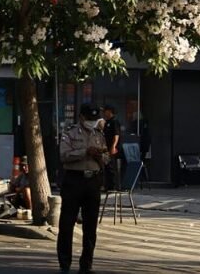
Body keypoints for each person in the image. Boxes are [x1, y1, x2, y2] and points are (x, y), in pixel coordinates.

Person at [57, 103, 110, 274]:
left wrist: (100, 156)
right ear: (81, 118)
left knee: (90, 225)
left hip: (92, 181)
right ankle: (64, 264)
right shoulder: (70, 133)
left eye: (94, 119)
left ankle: (86, 265)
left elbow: (107, 157)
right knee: (67, 224)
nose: (92, 122)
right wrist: (85, 152)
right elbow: (64, 156)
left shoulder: (99, 134)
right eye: (89, 119)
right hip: (74, 180)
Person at [101, 105, 120, 191]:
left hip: (111, 148)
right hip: (105, 148)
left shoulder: (114, 122)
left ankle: (113, 186)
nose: (104, 113)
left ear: (109, 111)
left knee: (112, 167)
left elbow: (116, 135)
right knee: (107, 167)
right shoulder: (107, 122)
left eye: (105, 111)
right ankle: (107, 186)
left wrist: (113, 146)